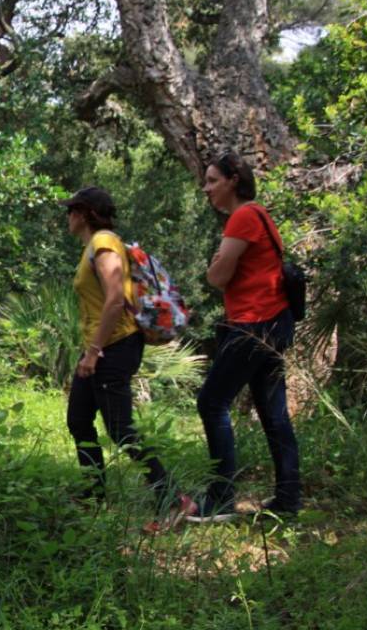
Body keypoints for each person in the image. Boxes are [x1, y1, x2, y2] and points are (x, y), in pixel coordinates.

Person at [61, 186, 192, 526]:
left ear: (84, 213)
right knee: (78, 419)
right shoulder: (96, 245)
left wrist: (93, 352)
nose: (67, 217)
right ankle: (94, 493)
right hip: (103, 347)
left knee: (120, 428)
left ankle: (174, 498)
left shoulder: (103, 244)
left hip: (113, 347)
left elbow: (115, 299)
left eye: (71, 210)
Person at [188, 151, 300, 523]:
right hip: (274, 322)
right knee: (273, 413)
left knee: (211, 402)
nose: (206, 189)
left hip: (253, 324)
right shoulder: (261, 215)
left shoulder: (243, 216)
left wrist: (217, 264)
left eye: (212, 181)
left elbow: (217, 277)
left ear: (234, 179)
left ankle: (221, 499)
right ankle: (288, 498)